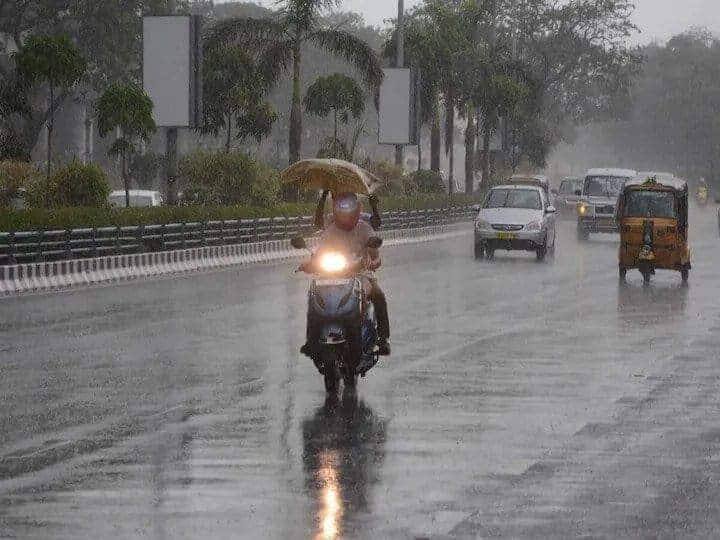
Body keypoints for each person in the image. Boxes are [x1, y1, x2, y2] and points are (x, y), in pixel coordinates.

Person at [302, 192, 391, 357]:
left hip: (360, 274)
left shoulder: (364, 228)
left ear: (357, 207)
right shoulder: (330, 228)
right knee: (313, 295)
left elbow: (376, 255)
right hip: (332, 275)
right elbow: (320, 249)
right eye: (340, 204)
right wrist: (310, 263)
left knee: (379, 296)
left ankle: (383, 338)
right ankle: (311, 339)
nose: (344, 208)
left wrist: (373, 262)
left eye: (348, 204)